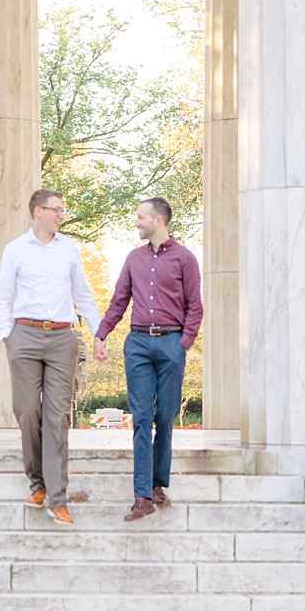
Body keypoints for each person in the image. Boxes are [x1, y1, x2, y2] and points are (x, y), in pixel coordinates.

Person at [0, 188, 102, 524]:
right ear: (38, 211)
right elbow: (1, 299)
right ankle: (37, 483)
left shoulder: (69, 249)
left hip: (61, 338)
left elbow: (81, 294)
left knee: (57, 418)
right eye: (57, 210)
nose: (61, 215)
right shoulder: (15, 250)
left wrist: (100, 332)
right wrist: (7, 335)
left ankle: (57, 498)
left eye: (63, 210)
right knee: (27, 412)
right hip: (23, 336)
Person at [95, 195, 203, 521]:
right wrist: (102, 333)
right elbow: (118, 300)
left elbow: (194, 306)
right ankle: (142, 496)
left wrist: (182, 345)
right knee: (142, 419)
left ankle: (158, 484)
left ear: (158, 220)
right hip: (139, 344)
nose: (136, 222)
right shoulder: (133, 258)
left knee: (164, 419)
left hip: (171, 343)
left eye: (141, 217)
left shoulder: (185, 259)